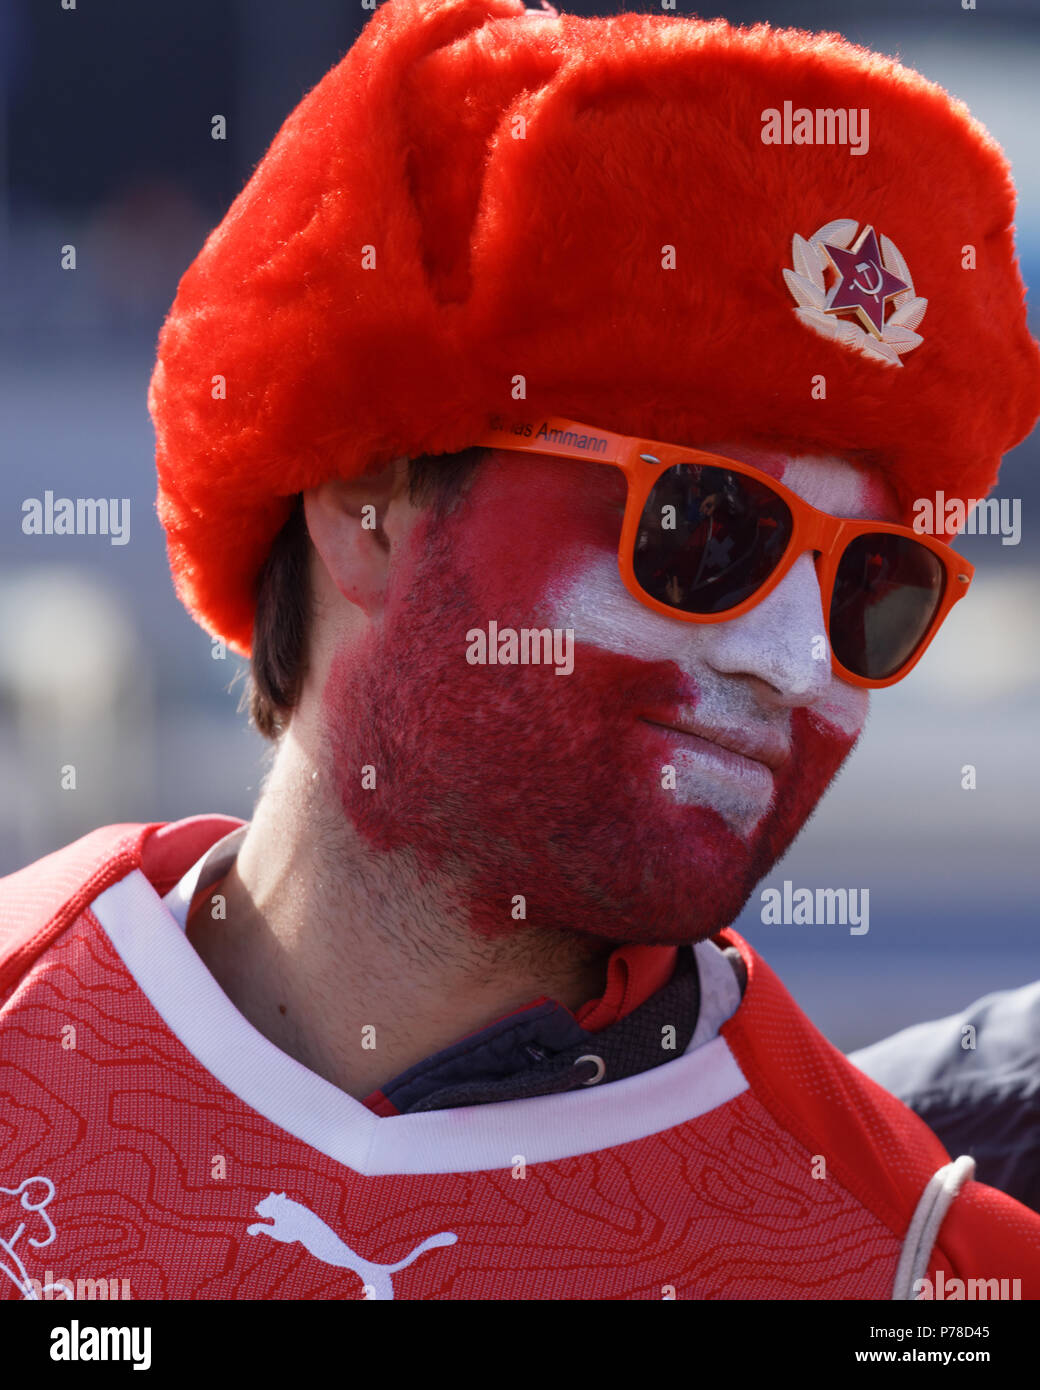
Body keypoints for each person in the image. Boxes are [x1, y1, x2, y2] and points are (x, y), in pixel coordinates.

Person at [2, 0, 1039, 1302]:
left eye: (869, 586)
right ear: (367, 507)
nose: (793, 660)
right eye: (706, 526)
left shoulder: (925, 1279)